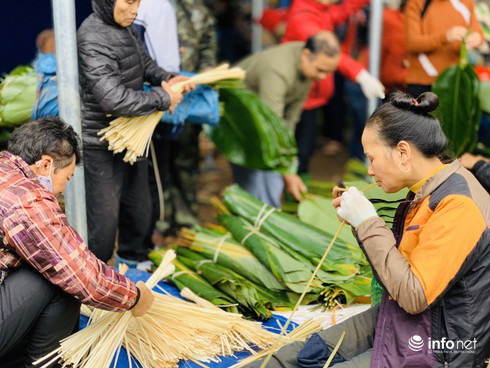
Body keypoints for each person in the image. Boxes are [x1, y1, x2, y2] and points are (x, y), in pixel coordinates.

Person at [244, 92, 490, 367]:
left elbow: (414, 294)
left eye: (372, 158)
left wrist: (367, 222)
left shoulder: (457, 205)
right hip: (413, 320)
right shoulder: (430, 188)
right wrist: (360, 223)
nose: (370, 171)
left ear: (403, 153)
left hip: (443, 347)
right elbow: (401, 275)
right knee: (300, 353)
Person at [0, 118, 155, 368]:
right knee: (60, 279)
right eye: (67, 178)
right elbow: (83, 277)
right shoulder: (25, 197)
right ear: (46, 164)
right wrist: (135, 297)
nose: (61, 190)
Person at [77, 0, 190, 267]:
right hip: (101, 140)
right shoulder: (91, 36)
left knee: (139, 209)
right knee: (104, 222)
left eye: (138, 1)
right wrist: (164, 98)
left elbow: (143, 63)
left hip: (132, 135)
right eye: (128, 1)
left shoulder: (126, 27)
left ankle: (133, 261)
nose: (135, 10)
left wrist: (166, 78)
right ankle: (98, 275)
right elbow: (112, 98)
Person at [135, 0, 218, 238]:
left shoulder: (200, 11)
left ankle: (186, 219)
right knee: (158, 164)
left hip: (188, 94)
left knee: (185, 159)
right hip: (155, 92)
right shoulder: (150, 5)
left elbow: (207, 49)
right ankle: (161, 219)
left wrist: (205, 76)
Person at [234, 31, 342, 207]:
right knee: (254, 181)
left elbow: (290, 119)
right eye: (321, 70)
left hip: (263, 121)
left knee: (271, 175)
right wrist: (288, 172)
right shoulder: (278, 71)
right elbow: (272, 127)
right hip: (240, 120)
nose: (323, 77)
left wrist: (287, 160)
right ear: (306, 55)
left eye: (329, 72)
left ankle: (265, 212)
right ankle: (256, 215)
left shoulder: (306, 67)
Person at [282, 0, 385, 173]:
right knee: (298, 145)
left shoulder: (319, 10)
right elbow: (328, 52)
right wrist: (360, 74)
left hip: (312, 95)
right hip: (299, 95)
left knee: (305, 145)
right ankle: (292, 186)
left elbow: (340, 11)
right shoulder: (302, 18)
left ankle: (297, 180)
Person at [405, 0, 484, 97]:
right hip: (423, 84)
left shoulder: (466, 2)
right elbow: (412, 43)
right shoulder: (417, 2)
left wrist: (477, 38)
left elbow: (478, 33)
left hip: (455, 81)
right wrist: (445, 36)